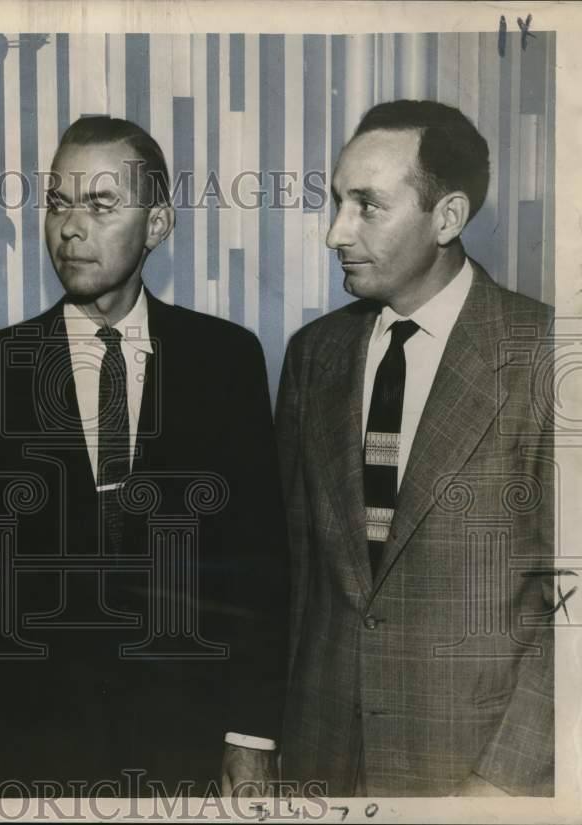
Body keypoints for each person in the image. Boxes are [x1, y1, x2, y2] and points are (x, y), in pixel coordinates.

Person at [0, 116, 288, 796]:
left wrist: (251, 735)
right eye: (57, 201)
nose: (69, 228)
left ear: (157, 223)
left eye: (101, 205)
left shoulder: (225, 359)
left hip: (187, 740)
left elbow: (259, 560)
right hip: (35, 747)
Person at [277, 99, 554, 797]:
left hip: (470, 771)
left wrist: (503, 779)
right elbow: (295, 574)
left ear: (448, 217)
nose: (336, 231)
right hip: (321, 763)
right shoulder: (314, 355)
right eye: (337, 200)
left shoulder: (546, 356)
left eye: (367, 205)